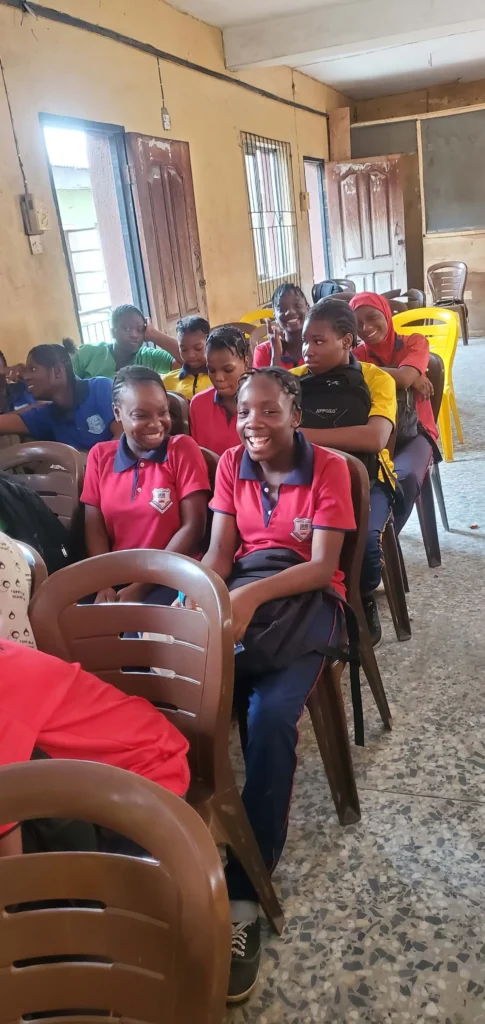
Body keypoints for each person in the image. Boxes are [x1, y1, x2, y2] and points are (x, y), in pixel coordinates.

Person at [200, 366, 356, 1002]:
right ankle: (185, 848)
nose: (253, 424)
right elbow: (218, 552)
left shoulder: (329, 469)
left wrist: (252, 596)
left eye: (269, 411)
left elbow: (322, 567)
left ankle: (245, 888)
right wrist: (204, 598)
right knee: (188, 694)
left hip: (307, 603)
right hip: (244, 594)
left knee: (267, 720)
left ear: (295, 412)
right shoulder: (230, 463)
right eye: (244, 412)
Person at [0, 639, 190, 857]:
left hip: (146, 781)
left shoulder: (5, 686)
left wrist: (16, 887)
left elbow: (6, 811)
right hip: (85, 776)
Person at [292, 299, 397, 647]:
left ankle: (362, 594)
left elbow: (373, 438)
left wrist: (300, 437)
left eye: (319, 341)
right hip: (306, 479)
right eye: (305, 340)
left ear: (347, 342)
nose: (307, 350)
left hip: (365, 479)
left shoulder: (376, 379)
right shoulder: (292, 380)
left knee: (364, 542)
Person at [81, 365, 210, 603]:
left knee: (138, 635)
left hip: (174, 574)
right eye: (141, 415)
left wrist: (141, 587)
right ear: (117, 413)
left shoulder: (181, 449)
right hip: (116, 574)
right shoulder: (99, 456)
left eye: (163, 412)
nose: (156, 423)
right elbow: (94, 527)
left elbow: (193, 528)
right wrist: (103, 583)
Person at [350, 292, 439, 535]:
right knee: (351, 480)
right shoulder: (357, 356)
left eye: (372, 317)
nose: (366, 327)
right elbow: (402, 377)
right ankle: (367, 541)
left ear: (387, 314)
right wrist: (405, 375)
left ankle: (383, 541)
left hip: (416, 433)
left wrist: (408, 376)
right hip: (375, 434)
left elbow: (404, 378)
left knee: (403, 478)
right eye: (358, 323)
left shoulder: (414, 342)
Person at [0, 344, 118, 451]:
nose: (26, 377)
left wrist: (93, 465)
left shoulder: (101, 388)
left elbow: (123, 438)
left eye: (33, 369)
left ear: (58, 371)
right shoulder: (46, 415)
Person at [69, 304, 180, 379]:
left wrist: (154, 335)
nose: (134, 335)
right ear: (113, 333)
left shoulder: (147, 356)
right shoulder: (89, 353)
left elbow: (186, 360)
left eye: (140, 330)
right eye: (126, 328)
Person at [189, 326, 250, 456]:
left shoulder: (261, 405)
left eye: (228, 370)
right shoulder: (198, 405)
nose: (218, 378)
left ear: (246, 364)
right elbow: (198, 457)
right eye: (211, 370)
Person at [252, 283, 309, 370]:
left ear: (307, 307)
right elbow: (263, 384)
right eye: (281, 309)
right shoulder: (263, 351)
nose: (290, 312)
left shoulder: (319, 345)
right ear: (274, 315)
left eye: (297, 305)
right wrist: (276, 354)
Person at [161, 315, 212, 399]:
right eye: (184, 349)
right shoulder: (167, 382)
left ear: (209, 343)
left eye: (198, 348)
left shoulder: (220, 379)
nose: (190, 355)